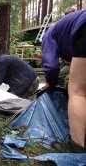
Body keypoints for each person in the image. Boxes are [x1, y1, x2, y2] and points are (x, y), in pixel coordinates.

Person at [41, 9, 86, 152]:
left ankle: (76, 146)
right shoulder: (64, 26)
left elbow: (52, 66)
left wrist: (51, 82)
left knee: (78, 92)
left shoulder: (48, 34)